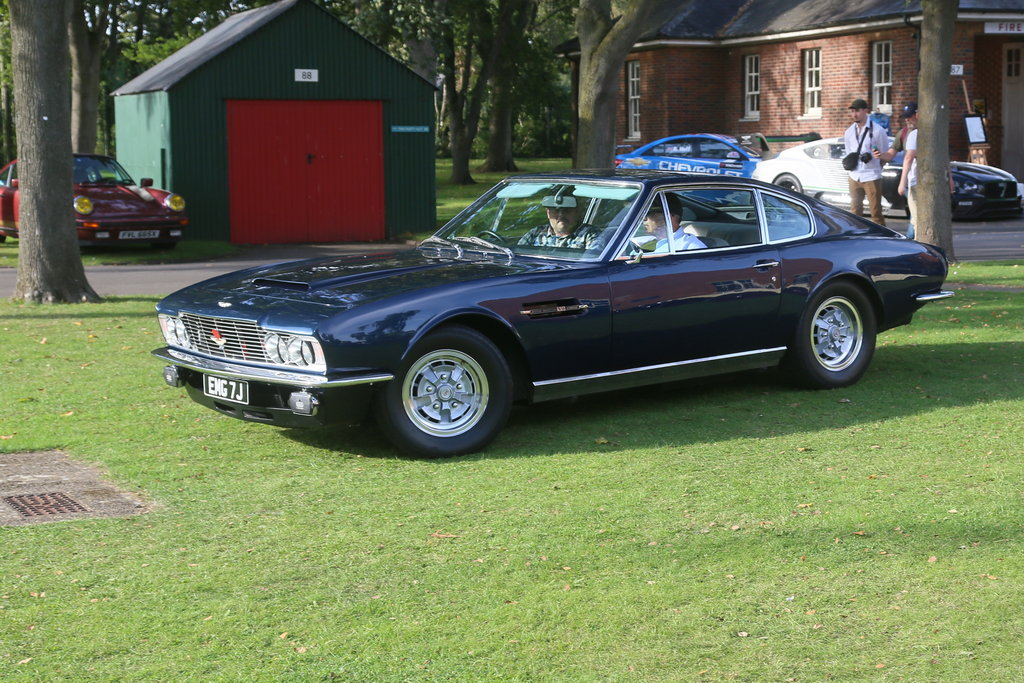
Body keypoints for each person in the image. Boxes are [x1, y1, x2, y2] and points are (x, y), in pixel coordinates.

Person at [844, 98, 892, 225]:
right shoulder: (849, 132)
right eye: (852, 111)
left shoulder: (878, 130)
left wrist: (876, 163)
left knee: (876, 213)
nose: (854, 114)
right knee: (855, 212)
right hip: (854, 175)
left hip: (872, 175)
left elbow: (884, 153)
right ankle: (856, 234)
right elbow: (849, 152)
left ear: (865, 111)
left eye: (857, 111)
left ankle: (881, 236)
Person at [518, 189, 604, 249]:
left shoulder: (590, 235)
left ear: (577, 212)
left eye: (567, 210)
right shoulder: (535, 234)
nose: (561, 214)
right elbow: (516, 258)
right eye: (556, 210)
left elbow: (592, 266)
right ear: (548, 213)